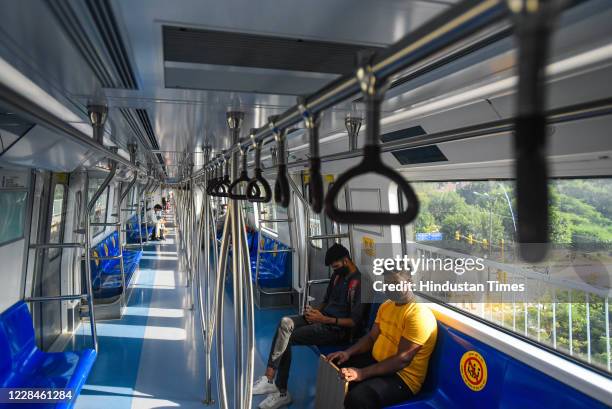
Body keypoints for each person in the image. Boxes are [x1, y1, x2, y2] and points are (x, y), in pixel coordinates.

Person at [253, 243, 367, 409]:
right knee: (286, 323)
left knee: (287, 339)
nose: (334, 270)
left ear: (346, 260)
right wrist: (313, 312)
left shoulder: (361, 283)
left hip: (336, 329)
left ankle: (281, 391)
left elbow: (354, 322)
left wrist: (324, 320)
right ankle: (269, 379)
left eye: (335, 266)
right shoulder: (337, 277)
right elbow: (326, 301)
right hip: (322, 318)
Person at [326, 270, 437, 409]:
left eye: (395, 283)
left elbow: (402, 360)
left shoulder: (418, 315)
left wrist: (361, 373)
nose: (390, 288)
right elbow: (372, 337)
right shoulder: (386, 306)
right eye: (387, 283)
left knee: (358, 399)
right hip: (377, 361)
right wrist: (347, 353)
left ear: (410, 283)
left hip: (402, 377)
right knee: (336, 363)